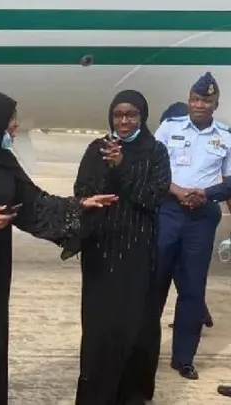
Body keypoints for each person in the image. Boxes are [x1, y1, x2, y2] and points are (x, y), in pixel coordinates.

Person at [0, 92, 118, 405]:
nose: (14, 126)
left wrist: (79, 205)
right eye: (10, 119)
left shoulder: (5, 161)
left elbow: (34, 203)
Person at [69, 90, 171, 404]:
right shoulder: (95, 149)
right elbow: (81, 191)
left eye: (131, 115)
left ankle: (131, 394)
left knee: (133, 324)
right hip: (101, 251)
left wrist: (123, 167)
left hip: (136, 251)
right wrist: (100, 186)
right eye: (118, 115)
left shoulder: (155, 151)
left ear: (142, 117)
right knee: (100, 327)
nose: (124, 121)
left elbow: (153, 197)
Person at [153, 72, 231, 380]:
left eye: (206, 101)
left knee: (193, 289)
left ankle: (183, 358)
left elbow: (230, 181)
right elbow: (151, 169)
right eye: (195, 99)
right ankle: (143, 351)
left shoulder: (226, 136)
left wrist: (206, 194)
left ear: (215, 104)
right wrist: (177, 191)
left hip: (202, 217)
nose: (199, 105)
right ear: (189, 100)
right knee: (155, 283)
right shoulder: (169, 128)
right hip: (168, 211)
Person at [159, 102, 214, 330]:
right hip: (175, 210)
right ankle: (199, 311)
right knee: (184, 271)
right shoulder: (169, 138)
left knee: (181, 270)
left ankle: (198, 311)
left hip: (188, 214)